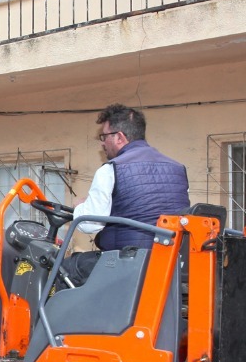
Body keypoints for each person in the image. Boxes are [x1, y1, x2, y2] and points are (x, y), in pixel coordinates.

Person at [64, 104, 191, 284]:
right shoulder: (178, 169)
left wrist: (80, 206)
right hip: (169, 264)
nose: (102, 143)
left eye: (104, 136)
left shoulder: (111, 169)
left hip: (127, 266)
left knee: (63, 269)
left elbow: (89, 225)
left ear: (119, 137)